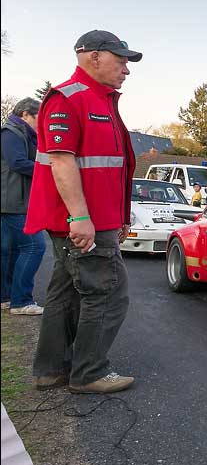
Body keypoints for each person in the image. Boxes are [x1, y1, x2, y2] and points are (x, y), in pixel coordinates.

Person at [24, 29, 142, 394]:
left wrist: (119, 216)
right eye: (120, 60)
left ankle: (50, 370)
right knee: (107, 292)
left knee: (65, 293)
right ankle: (89, 371)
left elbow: (108, 167)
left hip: (96, 218)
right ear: (94, 56)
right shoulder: (69, 99)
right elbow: (61, 161)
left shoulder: (100, 99)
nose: (126, 69)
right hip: (83, 221)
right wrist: (80, 217)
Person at [2, 98, 46, 315]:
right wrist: (48, 169)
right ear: (26, 114)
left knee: (9, 251)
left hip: (13, 201)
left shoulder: (22, 134)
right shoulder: (11, 133)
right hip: (15, 202)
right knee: (34, 247)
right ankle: (21, 301)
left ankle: (7, 297)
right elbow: (17, 163)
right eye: (40, 118)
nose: (42, 123)